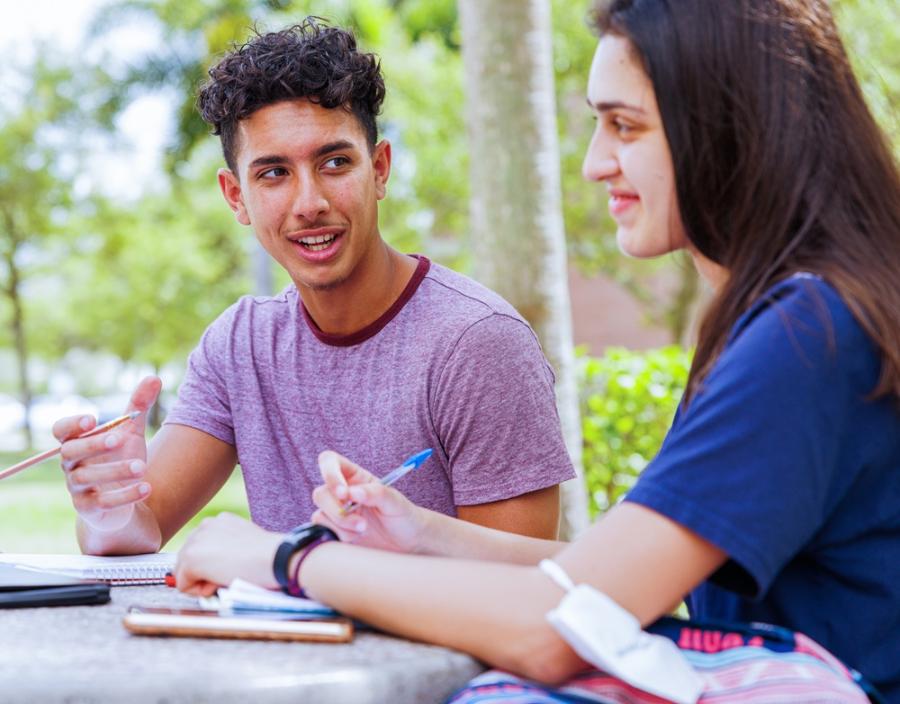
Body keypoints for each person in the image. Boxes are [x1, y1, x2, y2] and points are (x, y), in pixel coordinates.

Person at [175, 0, 900, 700]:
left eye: (624, 126)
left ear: (731, 127)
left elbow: (556, 630)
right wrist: (417, 531)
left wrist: (283, 558)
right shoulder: (809, 313)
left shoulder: (808, 335)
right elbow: (600, 583)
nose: (595, 163)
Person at [51, 19, 575, 556]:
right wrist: (109, 507)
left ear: (380, 169)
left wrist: (301, 566)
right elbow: (138, 531)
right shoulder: (241, 345)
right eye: (273, 173)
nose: (309, 203)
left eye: (334, 162)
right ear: (236, 197)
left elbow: (524, 591)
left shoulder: (478, 344)